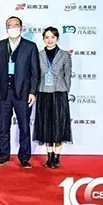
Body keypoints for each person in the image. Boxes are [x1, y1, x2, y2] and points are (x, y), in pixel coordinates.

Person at [0, 17, 39, 169]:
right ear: (6, 28)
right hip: (3, 93)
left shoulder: (30, 47)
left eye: (16, 25)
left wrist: (32, 92)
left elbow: (35, 72)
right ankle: (4, 155)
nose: (13, 28)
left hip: (23, 94)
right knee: (4, 127)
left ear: (21, 28)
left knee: (24, 127)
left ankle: (24, 157)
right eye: (10, 26)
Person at [34, 27, 73, 169]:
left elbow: (68, 76)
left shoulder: (65, 55)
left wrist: (64, 90)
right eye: (47, 37)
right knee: (46, 125)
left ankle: (57, 157)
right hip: (44, 92)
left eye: (52, 37)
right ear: (43, 39)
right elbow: (36, 74)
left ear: (57, 38)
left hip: (59, 93)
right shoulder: (39, 55)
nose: (50, 40)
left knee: (59, 126)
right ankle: (49, 156)